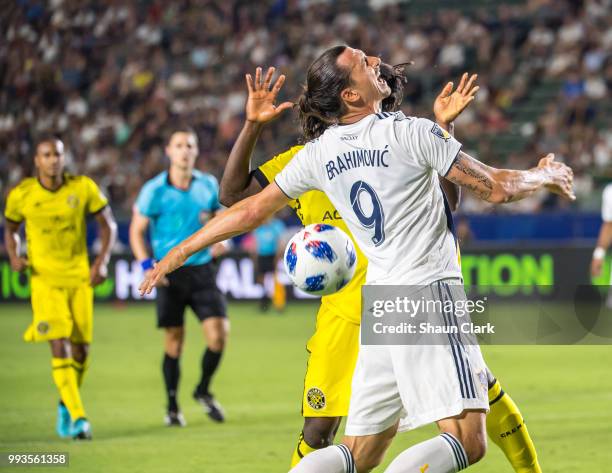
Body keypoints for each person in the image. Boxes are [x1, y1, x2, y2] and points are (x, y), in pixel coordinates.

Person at [139, 45, 574, 473]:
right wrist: (545, 174)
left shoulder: (320, 153)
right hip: (428, 294)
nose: (376, 61)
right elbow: (496, 188)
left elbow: (248, 210)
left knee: (358, 453)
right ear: (350, 94)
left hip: (380, 305)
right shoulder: (411, 133)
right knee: (466, 440)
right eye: (363, 62)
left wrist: (177, 253)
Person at [3, 136, 117, 440]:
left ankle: (66, 404)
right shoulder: (23, 194)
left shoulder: (83, 187)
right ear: (37, 161)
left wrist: (101, 261)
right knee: (60, 343)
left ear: (64, 158)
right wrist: (14, 255)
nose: (53, 159)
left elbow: (109, 224)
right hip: (45, 280)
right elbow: (11, 228)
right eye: (46, 155)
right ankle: (80, 418)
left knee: (81, 351)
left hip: (79, 278)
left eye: (57, 154)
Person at [129, 127, 229, 426]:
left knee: (219, 336)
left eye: (190, 145)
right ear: (169, 152)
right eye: (179, 145)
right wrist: (148, 265)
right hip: (169, 273)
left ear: (196, 152)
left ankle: (202, 390)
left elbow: (219, 219)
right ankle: (172, 406)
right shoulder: (154, 190)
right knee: (174, 342)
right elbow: (136, 230)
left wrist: (221, 239)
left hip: (201, 270)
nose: (185, 150)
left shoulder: (208, 185)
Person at [252, 216, 286, 311]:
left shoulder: (277, 225)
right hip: (262, 256)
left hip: (273, 256)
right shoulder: (259, 227)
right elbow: (255, 243)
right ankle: (265, 300)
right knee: (262, 280)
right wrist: (255, 257)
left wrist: (277, 257)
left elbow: (280, 242)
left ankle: (278, 303)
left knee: (275, 279)